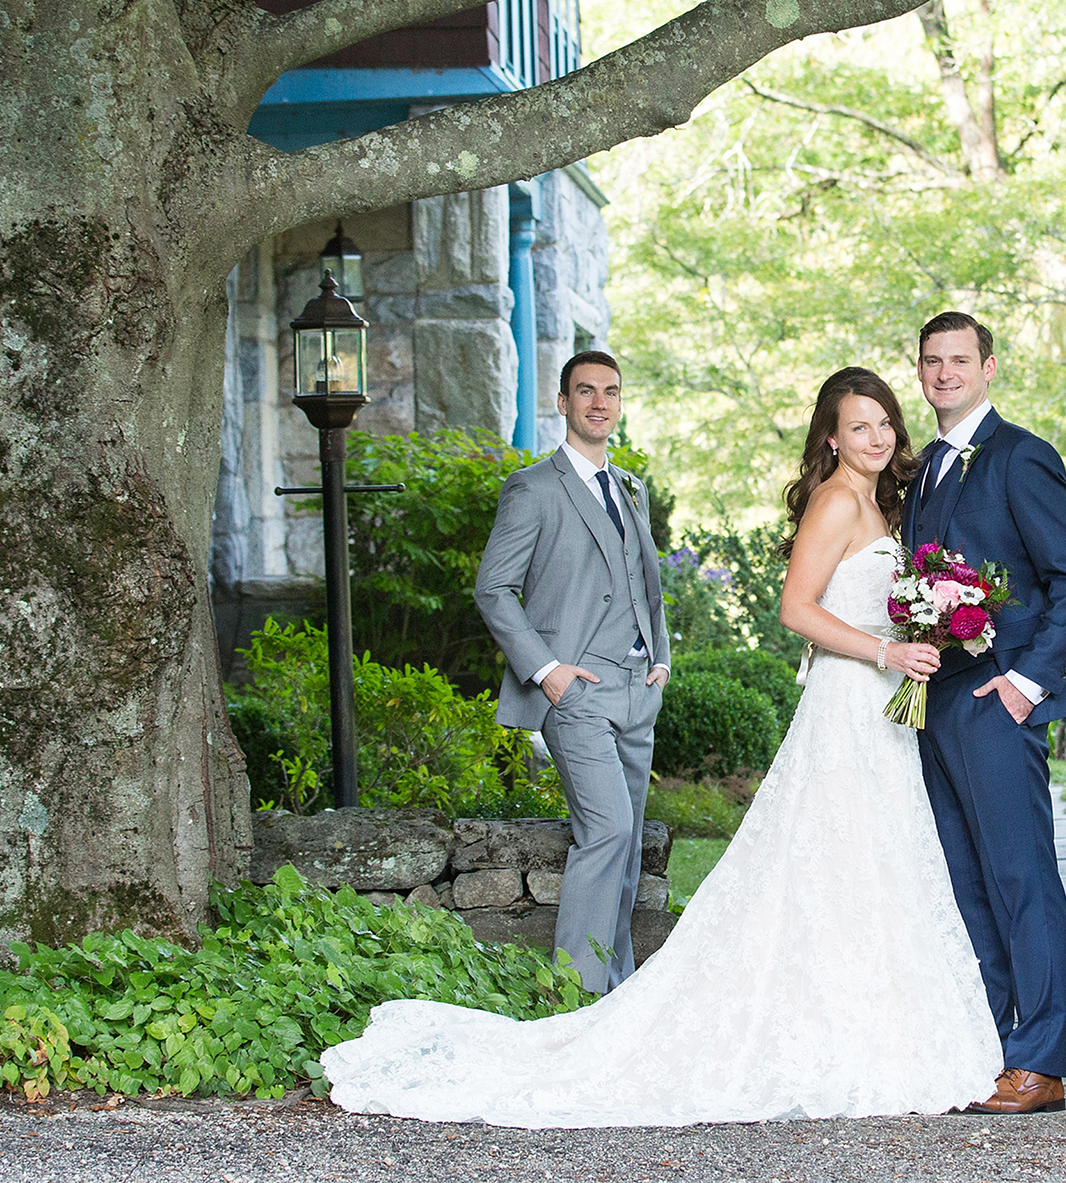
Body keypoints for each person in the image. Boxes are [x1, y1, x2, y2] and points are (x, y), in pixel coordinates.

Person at [320, 366, 1003, 1127]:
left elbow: (655, 584)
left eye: (884, 424)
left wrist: (919, 626)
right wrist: (884, 655)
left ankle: (854, 1024)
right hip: (828, 704)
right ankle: (591, 998)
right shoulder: (837, 501)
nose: (876, 438)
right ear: (832, 437)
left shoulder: (878, 507)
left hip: (860, 714)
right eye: (858, 426)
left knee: (860, 866)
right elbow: (795, 610)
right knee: (716, 847)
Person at [900, 312, 1066, 1116]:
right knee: (966, 884)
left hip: (998, 700)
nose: (944, 373)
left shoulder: (1022, 456)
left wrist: (1028, 682)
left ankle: (1042, 1061)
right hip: (934, 701)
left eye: (958, 360)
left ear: (987, 367)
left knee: (1021, 879)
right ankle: (991, 1047)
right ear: (920, 373)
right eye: (930, 362)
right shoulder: (922, 473)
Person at [474, 348, 671, 993]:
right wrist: (547, 670)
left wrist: (661, 655)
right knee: (607, 830)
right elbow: (493, 589)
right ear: (563, 403)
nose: (599, 402)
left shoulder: (628, 489)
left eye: (610, 392)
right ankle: (575, 995)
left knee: (629, 843)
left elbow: (646, 585)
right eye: (585, 391)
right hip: (576, 690)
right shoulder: (533, 488)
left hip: (637, 690)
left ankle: (615, 989)